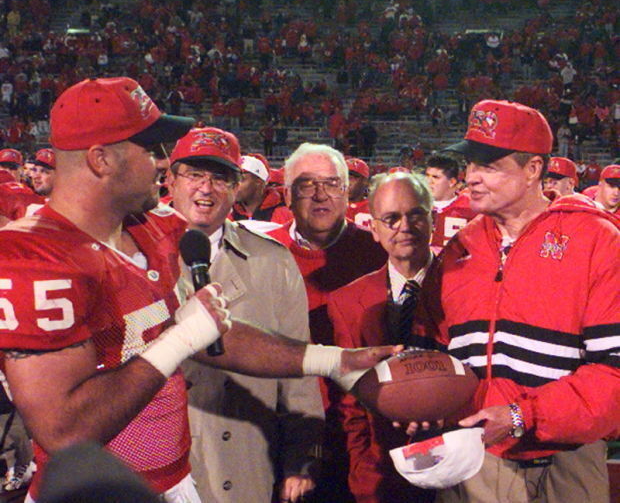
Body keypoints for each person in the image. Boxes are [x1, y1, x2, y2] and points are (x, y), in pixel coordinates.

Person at [0, 77, 398, 503]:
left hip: (178, 481)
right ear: (101, 160)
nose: (161, 162)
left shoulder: (154, 228)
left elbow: (212, 337)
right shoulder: (32, 256)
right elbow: (65, 431)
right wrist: (178, 340)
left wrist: (333, 360)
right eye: (150, 149)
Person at [412, 99, 619, 502]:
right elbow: (432, 350)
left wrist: (523, 416)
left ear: (533, 170)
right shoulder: (460, 247)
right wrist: (421, 399)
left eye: (489, 166)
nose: (470, 177)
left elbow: (615, 373)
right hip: (475, 458)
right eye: (470, 164)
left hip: (568, 461)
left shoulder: (598, 240)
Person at [166, 127, 324, 503]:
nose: (206, 189)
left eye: (219, 177)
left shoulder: (273, 260)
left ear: (237, 187)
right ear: (170, 180)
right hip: (158, 458)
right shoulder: (131, 252)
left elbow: (298, 369)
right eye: (194, 174)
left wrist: (302, 457)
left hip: (246, 455)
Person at [268, 143, 387, 503]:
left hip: (365, 431)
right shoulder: (261, 255)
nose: (321, 195)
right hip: (285, 431)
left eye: (332, 183)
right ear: (287, 195)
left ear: (348, 190)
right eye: (306, 185)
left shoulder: (380, 251)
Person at [328, 172, 436, 503]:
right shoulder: (346, 301)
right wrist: (363, 470)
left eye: (415, 213)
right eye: (391, 218)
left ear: (434, 219)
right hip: (383, 469)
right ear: (374, 229)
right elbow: (350, 401)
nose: (404, 226)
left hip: (460, 469)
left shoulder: (469, 288)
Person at [424, 153, 476, 253]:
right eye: (427, 176)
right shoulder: (416, 205)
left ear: (451, 182)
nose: (429, 181)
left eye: (435, 177)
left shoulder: (470, 209)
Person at [230, 152, 292, 226]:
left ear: (259, 182)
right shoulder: (228, 213)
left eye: (241, 179)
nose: (234, 185)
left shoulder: (284, 214)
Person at [0, 148, 43, 227]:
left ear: (21, 169)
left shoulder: (32, 188)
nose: (8, 171)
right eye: (3, 166)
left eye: (13, 168)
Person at [345, 157, 371, 229]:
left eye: (352, 178)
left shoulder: (375, 209)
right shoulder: (332, 207)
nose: (347, 183)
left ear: (365, 182)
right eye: (344, 177)